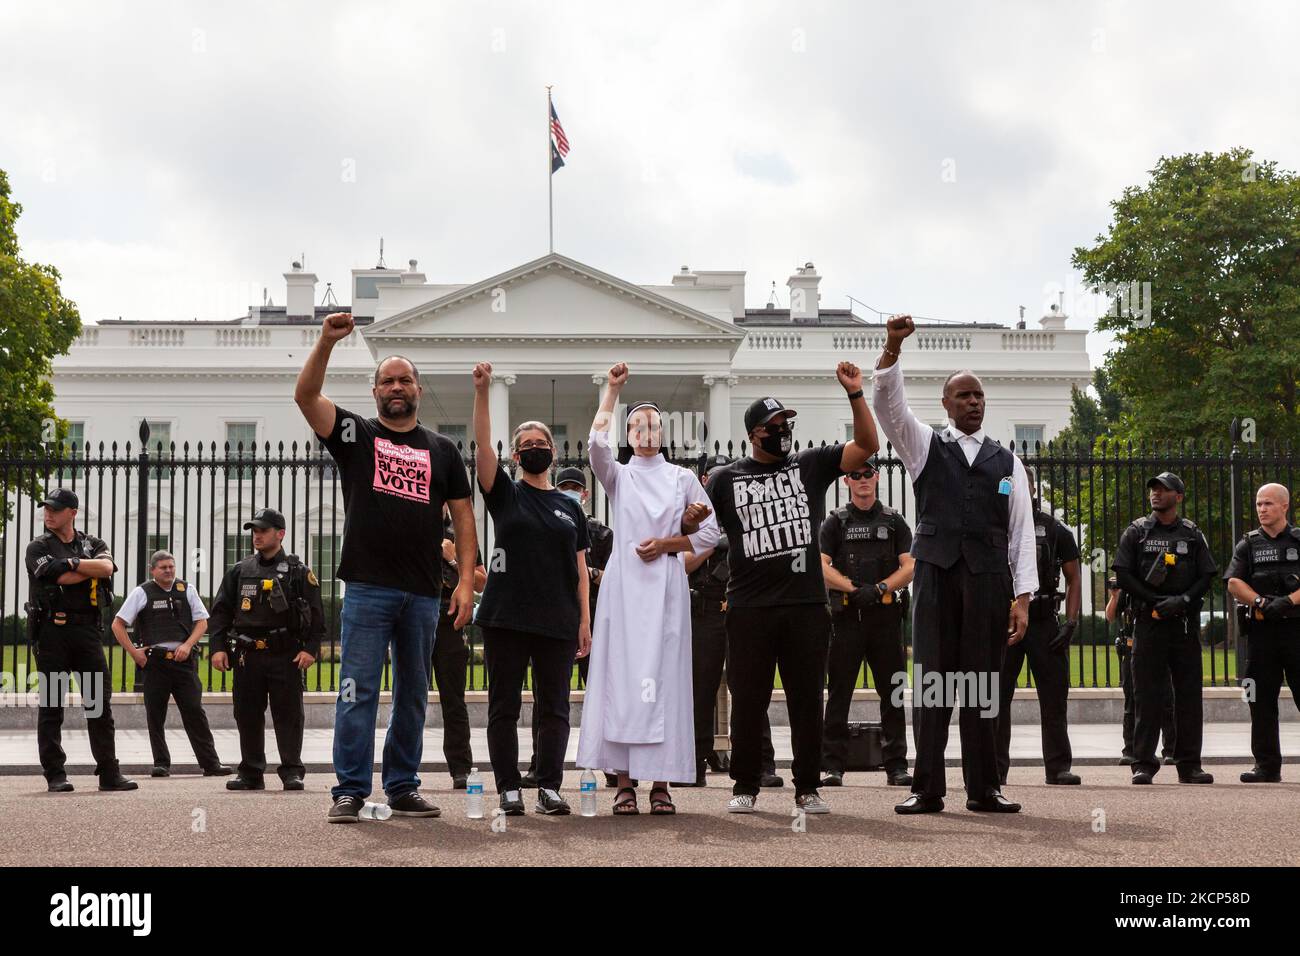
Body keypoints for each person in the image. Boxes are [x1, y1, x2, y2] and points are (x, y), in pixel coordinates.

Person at [296, 310, 477, 823]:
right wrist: (326, 343)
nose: (396, 387)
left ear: (418, 389)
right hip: (369, 589)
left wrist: (464, 580)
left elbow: (464, 517)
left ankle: (401, 786)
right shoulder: (356, 435)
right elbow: (306, 398)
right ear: (375, 391)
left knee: (413, 697)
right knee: (357, 691)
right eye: (387, 381)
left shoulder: (442, 450)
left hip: (422, 593)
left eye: (404, 380)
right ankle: (350, 790)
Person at [872, 315, 1035, 814]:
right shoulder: (923, 446)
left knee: (983, 684)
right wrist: (893, 348)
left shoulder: (1008, 462)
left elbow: (1021, 533)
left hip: (987, 581)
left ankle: (985, 788)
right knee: (932, 683)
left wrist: (1022, 597)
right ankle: (927, 788)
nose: (973, 402)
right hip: (936, 576)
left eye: (979, 396)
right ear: (946, 403)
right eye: (963, 395)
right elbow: (888, 408)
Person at [706, 362, 879, 814]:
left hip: (805, 606)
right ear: (754, 434)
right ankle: (745, 783)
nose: (782, 432)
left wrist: (856, 395)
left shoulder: (810, 465)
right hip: (748, 608)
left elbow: (867, 446)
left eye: (786, 424)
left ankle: (807, 787)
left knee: (806, 701)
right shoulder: (725, 478)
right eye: (773, 426)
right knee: (748, 701)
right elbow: (700, 530)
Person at [577, 363, 722, 815]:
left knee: (665, 681)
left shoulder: (682, 478)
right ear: (630, 432)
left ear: (663, 432)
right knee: (623, 678)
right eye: (636, 424)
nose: (644, 430)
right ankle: (623, 783)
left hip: (665, 588)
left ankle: (661, 784)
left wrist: (668, 543)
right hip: (623, 592)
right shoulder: (619, 475)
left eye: (652, 424)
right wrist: (613, 391)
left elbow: (710, 535)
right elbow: (595, 444)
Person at [472, 361, 592, 816]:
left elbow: (580, 570)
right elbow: (483, 446)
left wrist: (585, 622)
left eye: (542, 443)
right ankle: (507, 787)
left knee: (555, 709)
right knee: (505, 706)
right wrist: (483, 392)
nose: (535, 448)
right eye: (526, 445)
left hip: (558, 621)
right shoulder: (505, 494)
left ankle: (549, 785)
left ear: (554, 453)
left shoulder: (570, 506)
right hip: (506, 618)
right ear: (516, 457)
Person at [24, 488, 135, 793]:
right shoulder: (37, 546)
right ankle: (56, 774)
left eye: (55, 509)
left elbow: (107, 567)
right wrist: (84, 566)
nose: (48, 514)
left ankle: (109, 773)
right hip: (52, 633)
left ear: (72, 512)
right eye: (46, 508)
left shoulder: (93, 542)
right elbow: (55, 575)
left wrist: (72, 564)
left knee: (99, 704)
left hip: (86, 633)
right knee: (51, 706)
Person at [681, 454, 782, 788]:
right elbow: (683, 564)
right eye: (710, 475)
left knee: (750, 691)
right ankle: (694, 764)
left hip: (743, 608)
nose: (714, 482)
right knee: (700, 691)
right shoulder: (689, 520)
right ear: (702, 480)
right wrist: (710, 542)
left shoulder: (748, 515)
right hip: (706, 610)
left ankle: (762, 765)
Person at [207, 509, 324, 791]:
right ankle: (251, 772)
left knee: (288, 714)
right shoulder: (240, 571)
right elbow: (221, 613)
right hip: (248, 655)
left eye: (263, 530)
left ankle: (292, 771)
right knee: (246, 714)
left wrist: (310, 649)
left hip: (285, 653)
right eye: (254, 531)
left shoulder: (298, 572)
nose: (257, 535)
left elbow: (317, 616)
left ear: (280, 534)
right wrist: (218, 648)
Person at [1111, 472, 1216, 785]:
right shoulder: (1136, 532)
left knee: (1188, 697)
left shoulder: (1192, 534)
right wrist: (1155, 600)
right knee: (1147, 696)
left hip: (1183, 627)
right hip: (1148, 624)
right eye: (1153, 489)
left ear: (1179, 497)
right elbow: (1124, 574)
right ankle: (1143, 763)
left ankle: (1190, 765)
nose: (1156, 493)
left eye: (1164, 489)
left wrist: (1182, 600)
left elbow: (1206, 575)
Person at [818, 459, 915, 788]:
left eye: (867, 474)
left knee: (893, 694)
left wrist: (881, 589)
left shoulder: (894, 521)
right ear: (846, 482)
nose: (862, 480)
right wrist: (853, 589)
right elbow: (820, 566)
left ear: (876, 477)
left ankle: (897, 766)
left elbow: (910, 566)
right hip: (847, 618)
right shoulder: (835, 523)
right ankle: (832, 765)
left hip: (885, 617)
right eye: (854, 475)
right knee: (839, 693)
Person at [522, 466, 614, 789]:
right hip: (555, 622)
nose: (571, 491)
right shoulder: (548, 526)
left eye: (576, 487)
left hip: (593, 624)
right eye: (565, 487)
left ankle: (612, 766)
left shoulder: (602, 535)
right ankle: (539, 765)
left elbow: (615, 575)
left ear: (585, 494)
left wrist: (594, 574)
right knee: (545, 700)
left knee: (601, 695)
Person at [111, 550, 229, 778]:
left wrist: (187, 645)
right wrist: (135, 653)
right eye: (163, 567)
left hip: (183, 662)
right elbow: (118, 624)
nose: (168, 571)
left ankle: (211, 763)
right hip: (155, 662)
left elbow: (202, 622)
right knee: (156, 715)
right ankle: (161, 763)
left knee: (195, 711)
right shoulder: (142, 592)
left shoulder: (187, 590)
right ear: (152, 570)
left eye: (171, 566)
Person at [994, 498, 1082, 786]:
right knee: (996, 697)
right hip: (1004, 621)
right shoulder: (994, 524)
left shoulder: (1055, 529)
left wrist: (1070, 622)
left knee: (1054, 696)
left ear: (1031, 490)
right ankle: (995, 770)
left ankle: (1058, 767)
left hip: (1044, 622)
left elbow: (1073, 577)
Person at [1225, 482, 1300, 782]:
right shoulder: (1248, 544)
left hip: (1296, 630)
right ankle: (1267, 766)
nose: (1262, 509)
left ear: (1285, 506)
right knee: (1259, 700)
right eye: (1258, 504)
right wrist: (1259, 601)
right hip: (1261, 633)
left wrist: (1287, 601)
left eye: (1268, 504)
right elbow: (1233, 582)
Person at [434, 506, 486, 790]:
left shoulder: (462, 536)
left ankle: (460, 768)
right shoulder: (412, 528)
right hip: (416, 618)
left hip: (449, 622)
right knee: (408, 699)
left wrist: (454, 559)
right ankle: (404, 773)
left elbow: (481, 582)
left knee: (454, 700)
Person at [1107, 577, 1176, 765]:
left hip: (1160, 645)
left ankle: (1170, 750)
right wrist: (1114, 596)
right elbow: (1110, 616)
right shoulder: (1127, 591)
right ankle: (1129, 749)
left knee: (1167, 699)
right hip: (1131, 647)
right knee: (1132, 700)